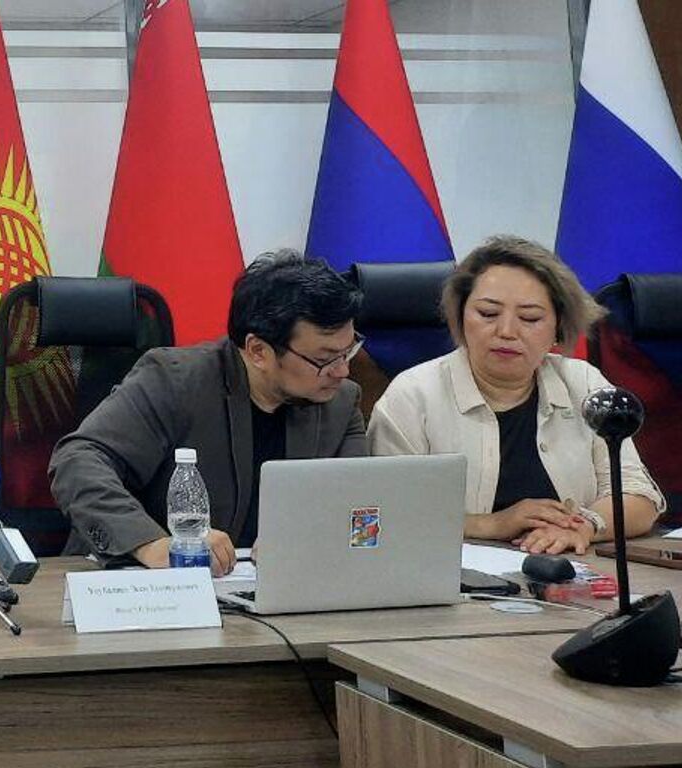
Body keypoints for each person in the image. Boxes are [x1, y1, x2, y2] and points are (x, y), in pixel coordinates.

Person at [50, 250, 367, 575]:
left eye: (348, 352)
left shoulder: (341, 404)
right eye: (325, 359)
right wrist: (152, 544)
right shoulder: (174, 381)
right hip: (145, 584)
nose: (342, 371)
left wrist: (313, 537)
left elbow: (359, 506)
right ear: (258, 351)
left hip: (273, 588)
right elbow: (77, 460)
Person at [369, 236, 664, 553]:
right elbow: (386, 515)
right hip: (450, 573)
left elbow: (640, 498)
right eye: (487, 314)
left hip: (570, 569)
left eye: (530, 318)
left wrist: (585, 525)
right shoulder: (413, 396)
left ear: (558, 327)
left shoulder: (583, 384)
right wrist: (489, 524)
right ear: (460, 317)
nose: (507, 331)